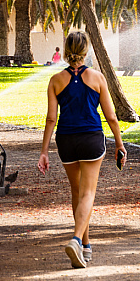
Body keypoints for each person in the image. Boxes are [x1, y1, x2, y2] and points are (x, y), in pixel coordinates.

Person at [38, 30, 127, 268]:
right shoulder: (97, 78)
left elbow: (50, 119)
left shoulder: (55, 80)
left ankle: (85, 248)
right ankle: (77, 239)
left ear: (66, 49)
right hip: (91, 140)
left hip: (66, 141)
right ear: (85, 51)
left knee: (76, 193)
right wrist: (119, 143)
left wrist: (44, 151)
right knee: (88, 194)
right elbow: (111, 117)